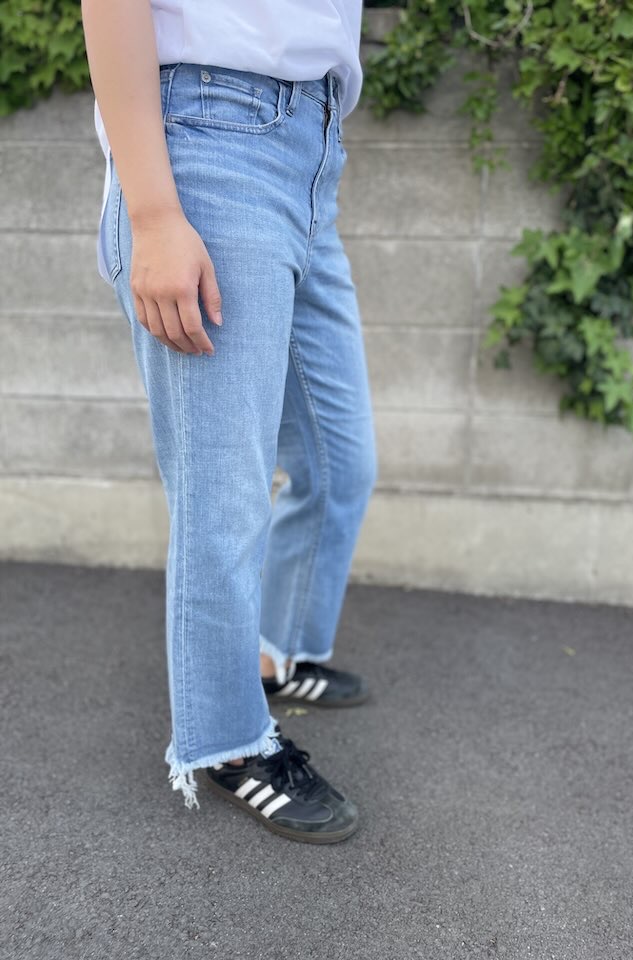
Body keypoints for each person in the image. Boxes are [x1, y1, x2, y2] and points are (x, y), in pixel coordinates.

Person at [81, 0, 377, 844]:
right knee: (223, 492)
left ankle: (273, 654)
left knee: (339, 459)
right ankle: (228, 740)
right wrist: (153, 214)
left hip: (314, 151)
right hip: (211, 141)